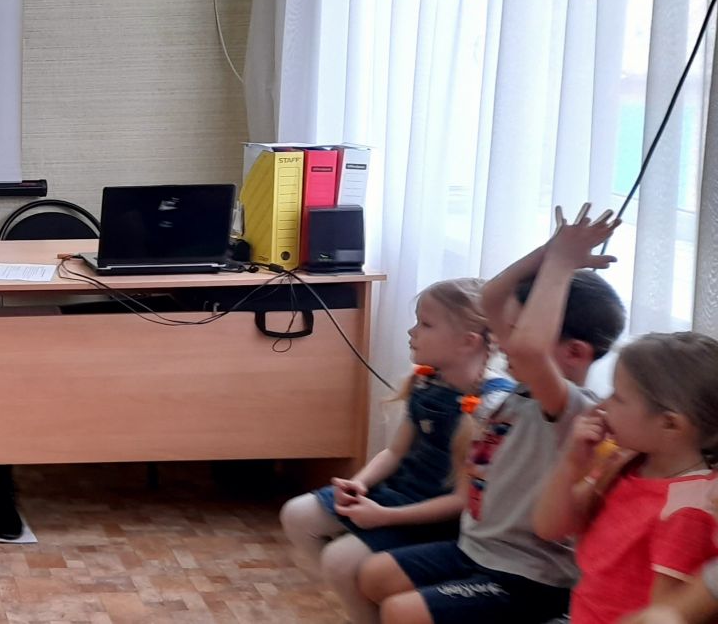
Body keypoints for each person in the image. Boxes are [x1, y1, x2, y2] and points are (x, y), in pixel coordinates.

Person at [358, 206, 626, 623]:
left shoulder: (572, 407)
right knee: (374, 576)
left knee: (400, 611)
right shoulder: (522, 392)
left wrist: (560, 264)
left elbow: (529, 350)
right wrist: (551, 249)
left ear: (574, 352)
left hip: (526, 575)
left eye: (518, 332)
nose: (504, 343)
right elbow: (492, 297)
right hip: (477, 549)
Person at [281, 278, 513, 622]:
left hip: (440, 517)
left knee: (339, 560)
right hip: (400, 494)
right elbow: (394, 452)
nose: (412, 331)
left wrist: (384, 517)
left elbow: (463, 501)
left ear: (468, 342)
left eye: (426, 324)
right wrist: (359, 483)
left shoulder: (495, 404)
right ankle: (360, 604)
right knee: (297, 515)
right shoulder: (427, 381)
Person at [531, 332, 718, 624]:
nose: (604, 405)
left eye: (618, 397)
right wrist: (571, 462)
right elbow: (548, 527)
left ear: (670, 424)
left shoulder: (687, 510)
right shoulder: (627, 463)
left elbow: (661, 616)